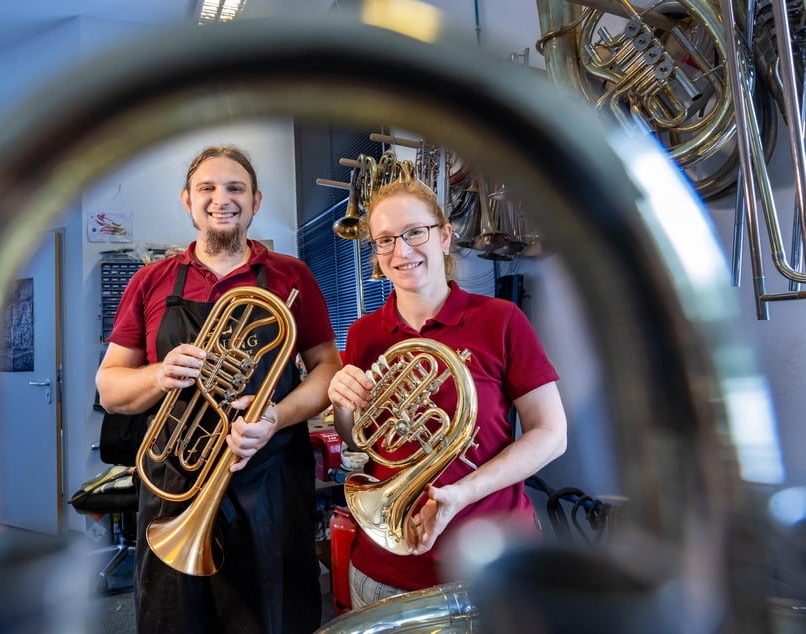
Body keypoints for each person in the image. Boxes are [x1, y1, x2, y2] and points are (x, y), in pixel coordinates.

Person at [95, 145, 341, 633]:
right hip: (174, 484)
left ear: (256, 200)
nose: (220, 199)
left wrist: (276, 416)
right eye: (207, 188)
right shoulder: (150, 281)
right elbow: (110, 387)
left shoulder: (292, 276)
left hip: (267, 481)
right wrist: (157, 375)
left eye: (235, 188)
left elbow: (328, 370)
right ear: (187, 200)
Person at [327, 178, 568, 609]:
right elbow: (358, 439)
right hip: (386, 568)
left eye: (414, 232)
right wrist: (342, 402)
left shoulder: (501, 320)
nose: (401, 252)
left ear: (444, 235)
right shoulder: (364, 333)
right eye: (385, 241)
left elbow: (551, 433)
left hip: (492, 564)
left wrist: (462, 494)